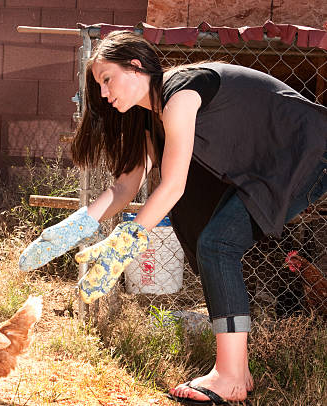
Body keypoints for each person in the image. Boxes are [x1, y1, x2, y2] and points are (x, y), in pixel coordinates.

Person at [19, 30, 326, 404]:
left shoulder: (179, 95)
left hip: (306, 148)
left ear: (135, 67)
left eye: (106, 79)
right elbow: (125, 188)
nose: (103, 93)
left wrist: (123, 242)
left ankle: (228, 376)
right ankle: (237, 374)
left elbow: (174, 185)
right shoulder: (152, 118)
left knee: (217, 245)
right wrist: (71, 228)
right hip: (271, 163)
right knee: (217, 245)